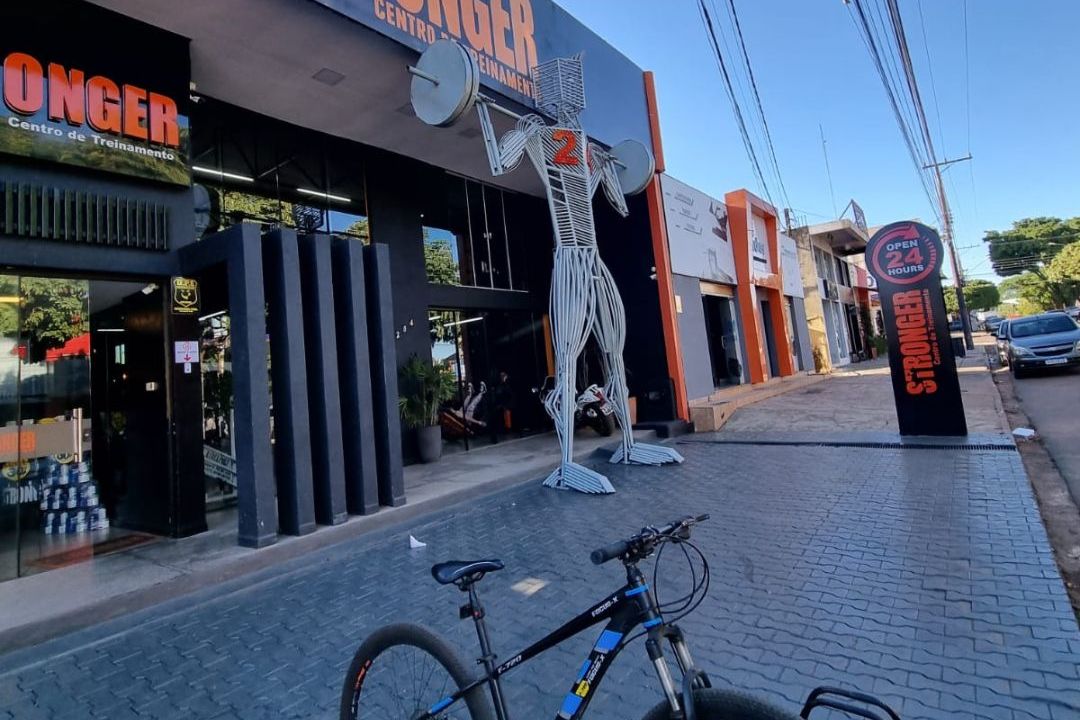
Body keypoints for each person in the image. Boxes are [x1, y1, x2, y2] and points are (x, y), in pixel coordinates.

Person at [488, 371, 515, 444]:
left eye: (503, 376)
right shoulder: (500, 385)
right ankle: (504, 429)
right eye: (501, 376)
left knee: (507, 415)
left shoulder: (507, 384)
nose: (502, 378)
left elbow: (509, 394)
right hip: (501, 404)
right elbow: (499, 394)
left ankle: (508, 428)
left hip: (506, 404)